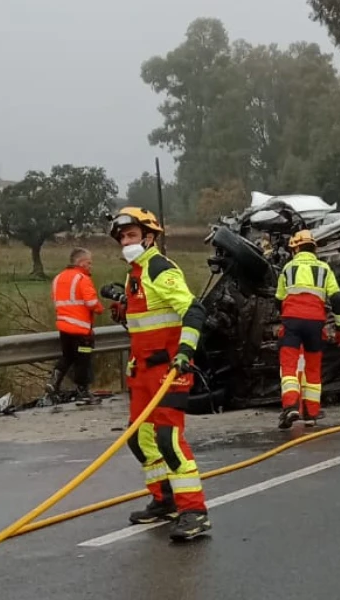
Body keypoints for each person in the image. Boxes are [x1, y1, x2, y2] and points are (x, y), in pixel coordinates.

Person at [107, 206, 211, 541]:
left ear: (149, 237)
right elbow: (147, 318)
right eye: (122, 237)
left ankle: (194, 511)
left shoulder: (158, 267)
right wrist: (124, 306)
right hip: (142, 372)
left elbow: (193, 309)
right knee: (140, 438)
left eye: (132, 235)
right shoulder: (134, 272)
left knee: (168, 439)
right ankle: (164, 499)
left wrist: (185, 352)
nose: (126, 241)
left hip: (168, 370)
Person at [274, 229, 340, 430]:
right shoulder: (324, 269)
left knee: (289, 367)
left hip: (292, 322)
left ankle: (290, 407)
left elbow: (279, 299)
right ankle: (311, 414)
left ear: (296, 248)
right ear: (314, 247)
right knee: (313, 368)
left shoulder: (288, 268)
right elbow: (338, 300)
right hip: (316, 323)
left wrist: (284, 317)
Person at [47, 247, 103, 405]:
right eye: (89, 263)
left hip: (64, 328)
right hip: (81, 330)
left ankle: (53, 382)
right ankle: (82, 392)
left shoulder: (58, 278)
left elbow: (56, 299)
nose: (91, 266)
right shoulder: (82, 279)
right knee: (83, 360)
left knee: (67, 357)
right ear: (82, 263)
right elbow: (92, 303)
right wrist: (100, 308)